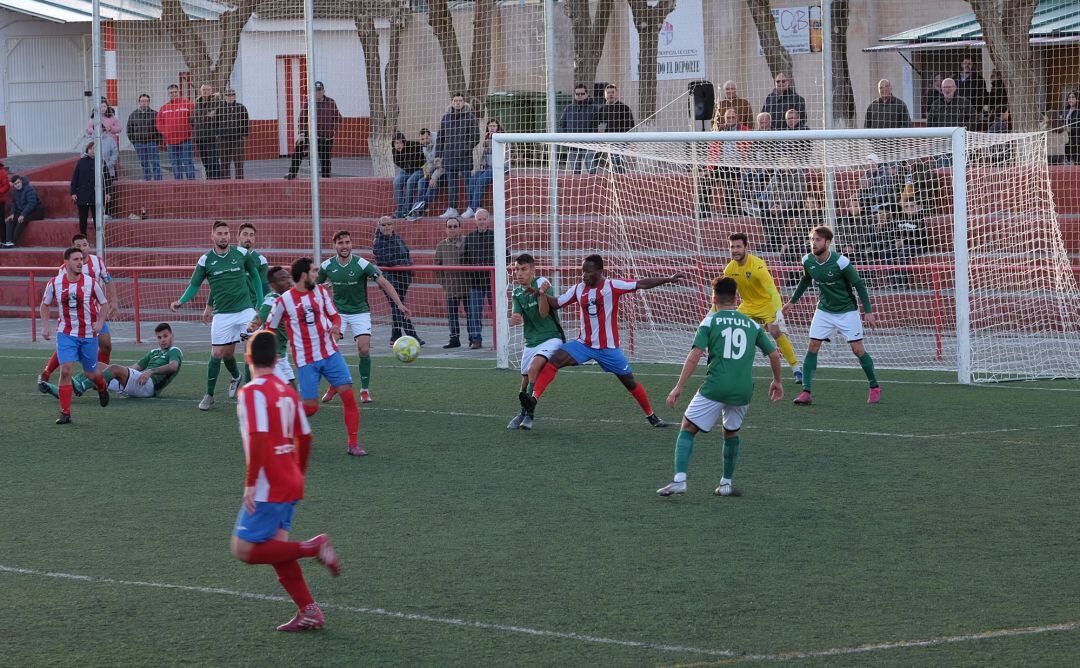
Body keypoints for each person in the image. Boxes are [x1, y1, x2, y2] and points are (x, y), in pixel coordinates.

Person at [230, 329, 340, 632]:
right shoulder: (286, 391)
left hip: (269, 484)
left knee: (245, 550)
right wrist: (298, 474)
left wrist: (251, 483)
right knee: (277, 551)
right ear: (278, 359)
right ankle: (309, 611)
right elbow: (305, 436)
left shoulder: (251, 392)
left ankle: (314, 546)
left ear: (248, 357)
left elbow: (259, 437)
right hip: (290, 480)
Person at [522, 254, 684, 428]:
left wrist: (668, 279)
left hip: (608, 348)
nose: (584, 275)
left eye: (588, 272)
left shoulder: (612, 285)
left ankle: (651, 416)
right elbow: (557, 303)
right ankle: (533, 399)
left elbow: (641, 283)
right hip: (583, 344)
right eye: (583, 271)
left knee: (629, 382)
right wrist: (542, 295)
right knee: (554, 361)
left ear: (600, 272)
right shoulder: (578, 289)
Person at [657, 276, 783, 497]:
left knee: (687, 428)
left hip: (715, 387)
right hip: (743, 390)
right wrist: (777, 381)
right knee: (731, 432)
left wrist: (678, 387)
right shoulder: (753, 325)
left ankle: (680, 480)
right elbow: (774, 354)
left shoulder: (709, 322)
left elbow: (695, 355)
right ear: (737, 298)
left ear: (713, 298)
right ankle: (725, 484)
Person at [267, 258, 365, 456]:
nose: (316, 275)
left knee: (348, 396)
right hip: (306, 361)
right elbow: (269, 328)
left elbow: (334, 315)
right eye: (313, 271)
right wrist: (270, 354)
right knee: (311, 408)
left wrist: (336, 326)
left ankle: (353, 443)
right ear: (304, 275)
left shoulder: (321, 292)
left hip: (330, 354)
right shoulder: (283, 301)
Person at [169, 220, 264, 411]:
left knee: (254, 348)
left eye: (226, 233)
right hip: (222, 315)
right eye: (219, 233)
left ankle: (249, 392)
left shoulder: (242, 254)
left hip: (246, 311)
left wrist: (260, 306)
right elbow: (194, 285)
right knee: (218, 353)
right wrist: (181, 301)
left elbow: (255, 277)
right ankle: (210, 394)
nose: (223, 237)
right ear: (212, 236)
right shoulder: (205, 260)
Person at [782, 226, 880, 406]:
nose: (814, 243)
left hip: (847, 310)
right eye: (812, 239)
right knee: (812, 346)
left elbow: (859, 284)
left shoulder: (841, 262)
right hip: (824, 310)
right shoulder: (807, 260)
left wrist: (868, 311)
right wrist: (792, 301)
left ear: (827, 242)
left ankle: (874, 386)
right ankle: (806, 391)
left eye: (818, 240)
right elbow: (805, 280)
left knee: (857, 350)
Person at [317, 229, 411, 405]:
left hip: (360, 311)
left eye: (347, 242)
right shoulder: (326, 266)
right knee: (330, 348)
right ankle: (334, 384)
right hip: (338, 313)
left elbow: (383, 282)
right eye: (340, 243)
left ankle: (365, 390)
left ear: (351, 244)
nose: (344, 246)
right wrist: (322, 288)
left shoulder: (361, 264)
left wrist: (399, 303)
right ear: (334, 246)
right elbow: (314, 288)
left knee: (364, 349)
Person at [39, 247, 111, 424]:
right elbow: (44, 305)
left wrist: (101, 322)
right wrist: (45, 325)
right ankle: (65, 412)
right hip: (66, 333)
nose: (80, 262)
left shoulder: (91, 283)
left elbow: (104, 304)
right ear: (66, 263)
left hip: (88, 334)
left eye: (82, 259)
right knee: (65, 370)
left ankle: (102, 387)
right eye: (76, 259)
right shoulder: (54, 283)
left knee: (91, 373)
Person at [722, 233, 803, 383]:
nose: (735, 250)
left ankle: (796, 368)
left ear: (746, 247)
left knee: (775, 331)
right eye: (732, 247)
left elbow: (772, 290)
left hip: (767, 304)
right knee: (732, 328)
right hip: (747, 305)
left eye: (738, 246)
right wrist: (712, 315)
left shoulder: (757, 265)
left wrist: (778, 310)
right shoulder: (729, 270)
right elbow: (723, 295)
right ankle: (733, 370)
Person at [44, 322, 183, 400]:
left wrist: (150, 371)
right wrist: (118, 373)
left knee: (113, 369)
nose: (163, 340)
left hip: (149, 387)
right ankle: (62, 392)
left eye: (165, 336)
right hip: (138, 382)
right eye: (159, 337)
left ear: (172, 335)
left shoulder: (174, 351)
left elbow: (173, 367)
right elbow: (135, 367)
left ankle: (81, 386)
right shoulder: (154, 352)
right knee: (97, 366)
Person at [202, 222, 271, 378]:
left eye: (252, 235)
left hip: (251, 311)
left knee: (250, 351)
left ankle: (248, 391)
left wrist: (264, 310)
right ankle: (236, 376)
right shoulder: (230, 256)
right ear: (237, 236)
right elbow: (218, 285)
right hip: (228, 311)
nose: (248, 238)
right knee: (226, 353)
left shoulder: (260, 260)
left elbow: (265, 287)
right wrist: (209, 305)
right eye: (245, 234)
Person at [506, 253, 565, 430]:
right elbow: (516, 315)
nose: (519, 273)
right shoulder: (517, 293)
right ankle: (522, 412)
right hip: (530, 341)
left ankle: (530, 416)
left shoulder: (542, 283)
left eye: (524, 269)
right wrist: (513, 319)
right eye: (517, 269)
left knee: (534, 368)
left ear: (533, 270)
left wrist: (541, 295)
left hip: (551, 337)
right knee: (524, 382)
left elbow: (543, 313)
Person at [371, 217, 423, 345]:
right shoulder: (378, 242)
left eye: (389, 224)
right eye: (384, 225)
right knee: (399, 306)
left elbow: (406, 254)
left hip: (403, 279)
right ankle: (413, 335)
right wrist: (404, 263)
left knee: (397, 307)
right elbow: (387, 260)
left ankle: (395, 336)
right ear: (379, 226)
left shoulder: (398, 238)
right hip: (389, 281)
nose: (387, 227)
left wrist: (407, 266)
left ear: (393, 225)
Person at [249, 265, 297, 389]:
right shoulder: (273, 299)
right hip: (272, 356)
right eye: (282, 279)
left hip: (281, 353)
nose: (287, 281)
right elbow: (260, 318)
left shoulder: (289, 297)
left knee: (291, 390)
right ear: (273, 285)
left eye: (288, 277)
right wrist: (251, 328)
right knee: (287, 391)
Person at [434, 93, 481, 218]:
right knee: (452, 184)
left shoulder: (470, 117)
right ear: (452, 102)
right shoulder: (446, 118)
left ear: (464, 102)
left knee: (467, 183)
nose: (458, 103)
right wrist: (438, 155)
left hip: (464, 157)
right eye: (455, 101)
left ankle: (471, 208)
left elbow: (476, 137)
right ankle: (452, 208)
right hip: (449, 157)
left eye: (460, 100)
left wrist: (465, 147)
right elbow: (440, 138)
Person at [285, 81, 342, 179]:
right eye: (316, 91)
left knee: (326, 160)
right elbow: (302, 118)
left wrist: (334, 130)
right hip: (310, 134)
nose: (318, 93)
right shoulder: (309, 102)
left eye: (320, 90)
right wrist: (302, 134)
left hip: (326, 136)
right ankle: (292, 173)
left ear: (323, 91)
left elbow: (338, 117)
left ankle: (326, 179)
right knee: (299, 149)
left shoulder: (331, 102)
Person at [460, 208, 495, 349]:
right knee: (474, 313)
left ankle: (500, 337)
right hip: (475, 283)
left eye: (484, 219)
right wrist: (471, 271)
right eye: (479, 219)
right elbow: (464, 259)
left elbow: (506, 256)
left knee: (497, 312)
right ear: (475, 221)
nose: (481, 222)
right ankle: (476, 339)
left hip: (493, 282)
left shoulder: (496, 236)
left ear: (488, 220)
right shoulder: (469, 238)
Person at [434, 216, 468, 348]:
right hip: (450, 288)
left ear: (460, 228)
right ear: (445, 229)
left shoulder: (467, 242)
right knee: (452, 315)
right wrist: (444, 283)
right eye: (450, 227)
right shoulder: (441, 246)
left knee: (471, 315)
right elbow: (437, 266)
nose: (452, 229)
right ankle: (454, 339)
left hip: (467, 287)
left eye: (455, 226)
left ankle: (474, 339)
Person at [70, 143, 112, 236]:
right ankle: (83, 238)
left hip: (96, 195)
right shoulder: (81, 162)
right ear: (87, 150)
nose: (93, 150)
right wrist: (73, 192)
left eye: (95, 149)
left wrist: (108, 193)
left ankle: (100, 239)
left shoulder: (101, 162)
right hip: (82, 195)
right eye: (91, 148)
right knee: (83, 219)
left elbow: (107, 178)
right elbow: (75, 178)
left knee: (97, 219)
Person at [463, 118, 501, 219]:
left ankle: (472, 207)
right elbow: (484, 155)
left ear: (498, 127)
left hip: (498, 166)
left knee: (481, 180)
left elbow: (499, 154)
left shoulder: (501, 137)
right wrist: (482, 164)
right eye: (490, 126)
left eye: (494, 126)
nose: (492, 128)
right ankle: (473, 207)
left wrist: (488, 143)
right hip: (488, 166)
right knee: (473, 179)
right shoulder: (487, 137)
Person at [157, 84, 196, 180]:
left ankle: (192, 185)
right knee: (175, 163)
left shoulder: (188, 104)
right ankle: (178, 185)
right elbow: (159, 123)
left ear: (178, 92)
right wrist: (166, 133)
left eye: (175, 92)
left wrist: (190, 131)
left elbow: (195, 118)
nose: (173, 94)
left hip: (185, 139)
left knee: (188, 162)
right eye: (171, 93)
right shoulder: (164, 108)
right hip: (170, 141)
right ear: (168, 94)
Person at [405, 128, 444, 220]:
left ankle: (418, 209)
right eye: (422, 139)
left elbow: (444, 164)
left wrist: (434, 177)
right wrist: (427, 172)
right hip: (435, 171)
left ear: (430, 135)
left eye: (426, 138)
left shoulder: (439, 142)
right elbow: (430, 163)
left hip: (445, 171)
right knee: (421, 181)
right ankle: (417, 209)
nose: (424, 141)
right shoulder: (425, 146)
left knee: (432, 184)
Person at [560, 83, 599, 174]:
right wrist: (566, 140)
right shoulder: (568, 108)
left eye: (582, 93)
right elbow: (563, 124)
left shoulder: (593, 108)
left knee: (592, 171)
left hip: (589, 145)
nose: (580, 96)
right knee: (575, 173)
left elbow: (597, 125)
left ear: (586, 94)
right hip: (573, 145)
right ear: (574, 95)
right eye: (578, 94)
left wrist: (593, 140)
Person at [597, 84, 635, 172]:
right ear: (605, 95)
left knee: (616, 159)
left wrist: (625, 138)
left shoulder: (624, 108)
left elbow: (631, 125)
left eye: (612, 92)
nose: (610, 94)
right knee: (612, 161)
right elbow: (598, 124)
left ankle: (620, 177)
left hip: (620, 139)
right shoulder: (602, 109)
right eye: (608, 92)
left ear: (616, 94)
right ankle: (618, 176)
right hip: (607, 140)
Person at [126, 93, 163, 181]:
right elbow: (129, 129)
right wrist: (134, 142)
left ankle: (158, 181)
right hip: (139, 144)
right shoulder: (133, 115)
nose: (144, 103)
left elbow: (159, 128)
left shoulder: (155, 114)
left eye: (146, 101)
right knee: (144, 163)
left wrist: (156, 141)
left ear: (149, 102)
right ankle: (147, 181)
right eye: (142, 101)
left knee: (155, 163)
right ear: (139, 102)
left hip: (152, 142)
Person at [192, 84, 223, 179]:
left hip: (212, 137)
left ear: (211, 91)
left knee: (213, 161)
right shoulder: (197, 102)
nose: (205, 92)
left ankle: (216, 181)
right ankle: (210, 181)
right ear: (201, 91)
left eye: (207, 90)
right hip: (200, 137)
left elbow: (223, 112)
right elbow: (194, 118)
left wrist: (215, 113)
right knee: (205, 162)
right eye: (203, 90)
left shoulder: (217, 101)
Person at [391, 131, 424, 218]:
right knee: (396, 182)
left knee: (410, 181)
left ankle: (406, 210)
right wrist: (408, 167)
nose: (398, 145)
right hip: (407, 170)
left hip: (420, 169)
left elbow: (422, 159)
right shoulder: (394, 151)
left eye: (400, 142)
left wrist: (411, 165)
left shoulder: (413, 146)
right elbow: (399, 163)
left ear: (404, 142)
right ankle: (400, 209)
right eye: (396, 143)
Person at [219, 89, 250, 179]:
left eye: (232, 95)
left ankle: (239, 185)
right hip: (223, 140)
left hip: (237, 139)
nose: (230, 97)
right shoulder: (220, 108)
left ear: (235, 96)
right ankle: (226, 185)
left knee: (239, 163)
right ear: (225, 97)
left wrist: (244, 135)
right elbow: (216, 122)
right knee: (224, 163)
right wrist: (218, 134)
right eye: (228, 95)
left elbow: (245, 121)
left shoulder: (241, 107)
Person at [86, 99, 121, 177]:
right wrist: (96, 131)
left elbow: (119, 128)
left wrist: (111, 128)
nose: (103, 108)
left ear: (107, 107)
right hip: (98, 143)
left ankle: (113, 176)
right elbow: (88, 129)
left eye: (104, 106)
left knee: (111, 162)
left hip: (111, 144)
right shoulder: (93, 118)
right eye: (101, 106)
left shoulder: (112, 117)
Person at [6, 174, 45, 245]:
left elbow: (32, 203)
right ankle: (8, 241)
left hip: (36, 211)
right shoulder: (15, 192)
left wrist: (23, 215)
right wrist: (12, 214)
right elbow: (14, 204)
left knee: (21, 220)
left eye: (18, 183)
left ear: (21, 181)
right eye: (15, 184)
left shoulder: (29, 189)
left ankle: (13, 241)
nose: (17, 185)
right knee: (9, 220)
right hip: (24, 212)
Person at [1063, 91, 1080, 165]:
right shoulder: (1065, 110)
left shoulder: (1078, 111)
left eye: (1073, 97)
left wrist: (1071, 129)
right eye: (1069, 97)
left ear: (1077, 99)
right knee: (1068, 158)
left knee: (1076, 158)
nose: (1071, 99)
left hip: (1076, 138)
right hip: (1066, 137)